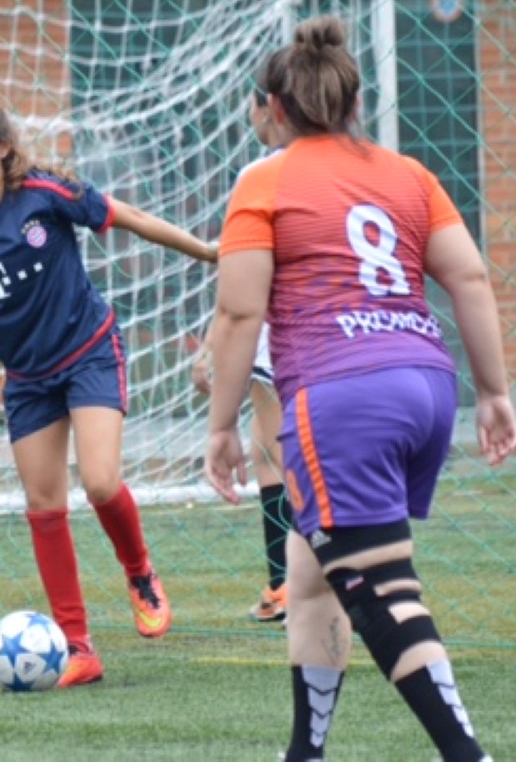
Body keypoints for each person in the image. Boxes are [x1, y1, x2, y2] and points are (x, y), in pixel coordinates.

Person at [203, 16, 516, 762]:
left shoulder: (265, 179)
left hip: (343, 399)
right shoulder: (409, 174)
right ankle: (304, 754)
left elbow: (241, 310)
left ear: (275, 110)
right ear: (351, 102)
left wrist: (221, 427)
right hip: (426, 386)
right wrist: (495, 391)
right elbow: (469, 277)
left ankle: (468, 755)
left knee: (381, 589)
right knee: (312, 578)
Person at [0, 95, 216, 688]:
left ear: (3, 148)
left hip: (88, 353)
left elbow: (126, 216)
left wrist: (206, 252)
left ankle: (139, 572)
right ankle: (77, 646)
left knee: (101, 480)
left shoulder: (45, 196)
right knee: (44, 507)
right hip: (26, 379)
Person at [192, 53, 295, 624]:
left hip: (282, 331)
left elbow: (240, 286)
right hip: (356, 335)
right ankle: (322, 579)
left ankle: (288, 584)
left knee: (275, 454)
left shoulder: (260, 177)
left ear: (269, 108)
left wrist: (212, 346)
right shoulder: (362, 164)